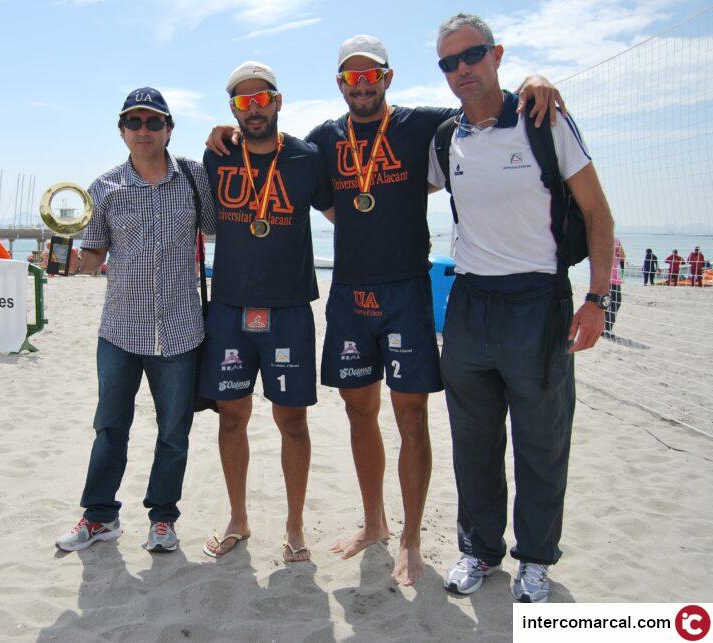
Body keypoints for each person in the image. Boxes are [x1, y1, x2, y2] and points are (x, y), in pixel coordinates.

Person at [209, 35, 561, 585]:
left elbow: (481, 104)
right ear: (339, 85)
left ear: (387, 78)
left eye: (370, 75)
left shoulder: (424, 125)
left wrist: (530, 84)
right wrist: (224, 131)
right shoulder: (323, 141)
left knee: (411, 417)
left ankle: (411, 540)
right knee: (359, 414)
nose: (362, 85)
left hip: (406, 291)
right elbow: (307, 186)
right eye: (351, 77)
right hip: (349, 293)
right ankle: (374, 524)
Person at [427, 13, 614, 603]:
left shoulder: (543, 119)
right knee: (473, 441)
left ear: (497, 54)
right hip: (469, 303)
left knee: (541, 442)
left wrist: (597, 299)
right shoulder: (446, 136)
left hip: (538, 301)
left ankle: (534, 559)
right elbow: (386, 175)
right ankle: (479, 550)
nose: (461, 69)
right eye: (449, 62)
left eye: (472, 55)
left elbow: (598, 213)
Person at [55, 87, 216, 555]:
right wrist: (70, 262)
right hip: (120, 332)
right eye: (134, 122)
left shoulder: (195, 177)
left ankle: (163, 520)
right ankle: (100, 518)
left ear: (169, 128)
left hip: (180, 331)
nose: (143, 130)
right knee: (110, 428)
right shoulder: (104, 187)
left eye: (153, 122)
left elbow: (218, 230)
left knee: (174, 433)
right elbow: (93, 256)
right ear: (121, 130)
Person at [198, 62, 332, 563]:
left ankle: (295, 526)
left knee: (291, 421)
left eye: (261, 99)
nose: (253, 109)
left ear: (278, 101)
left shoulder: (307, 158)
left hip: (289, 309)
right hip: (230, 307)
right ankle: (238, 519)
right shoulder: (217, 155)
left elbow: (342, 214)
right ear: (233, 110)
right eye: (242, 102)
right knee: (231, 417)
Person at [604, 238, 625, 337]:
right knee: (615, 302)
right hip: (612, 278)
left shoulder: (596, 239)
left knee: (603, 302)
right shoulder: (615, 240)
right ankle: (607, 328)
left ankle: (602, 327)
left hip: (600, 278)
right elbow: (622, 257)